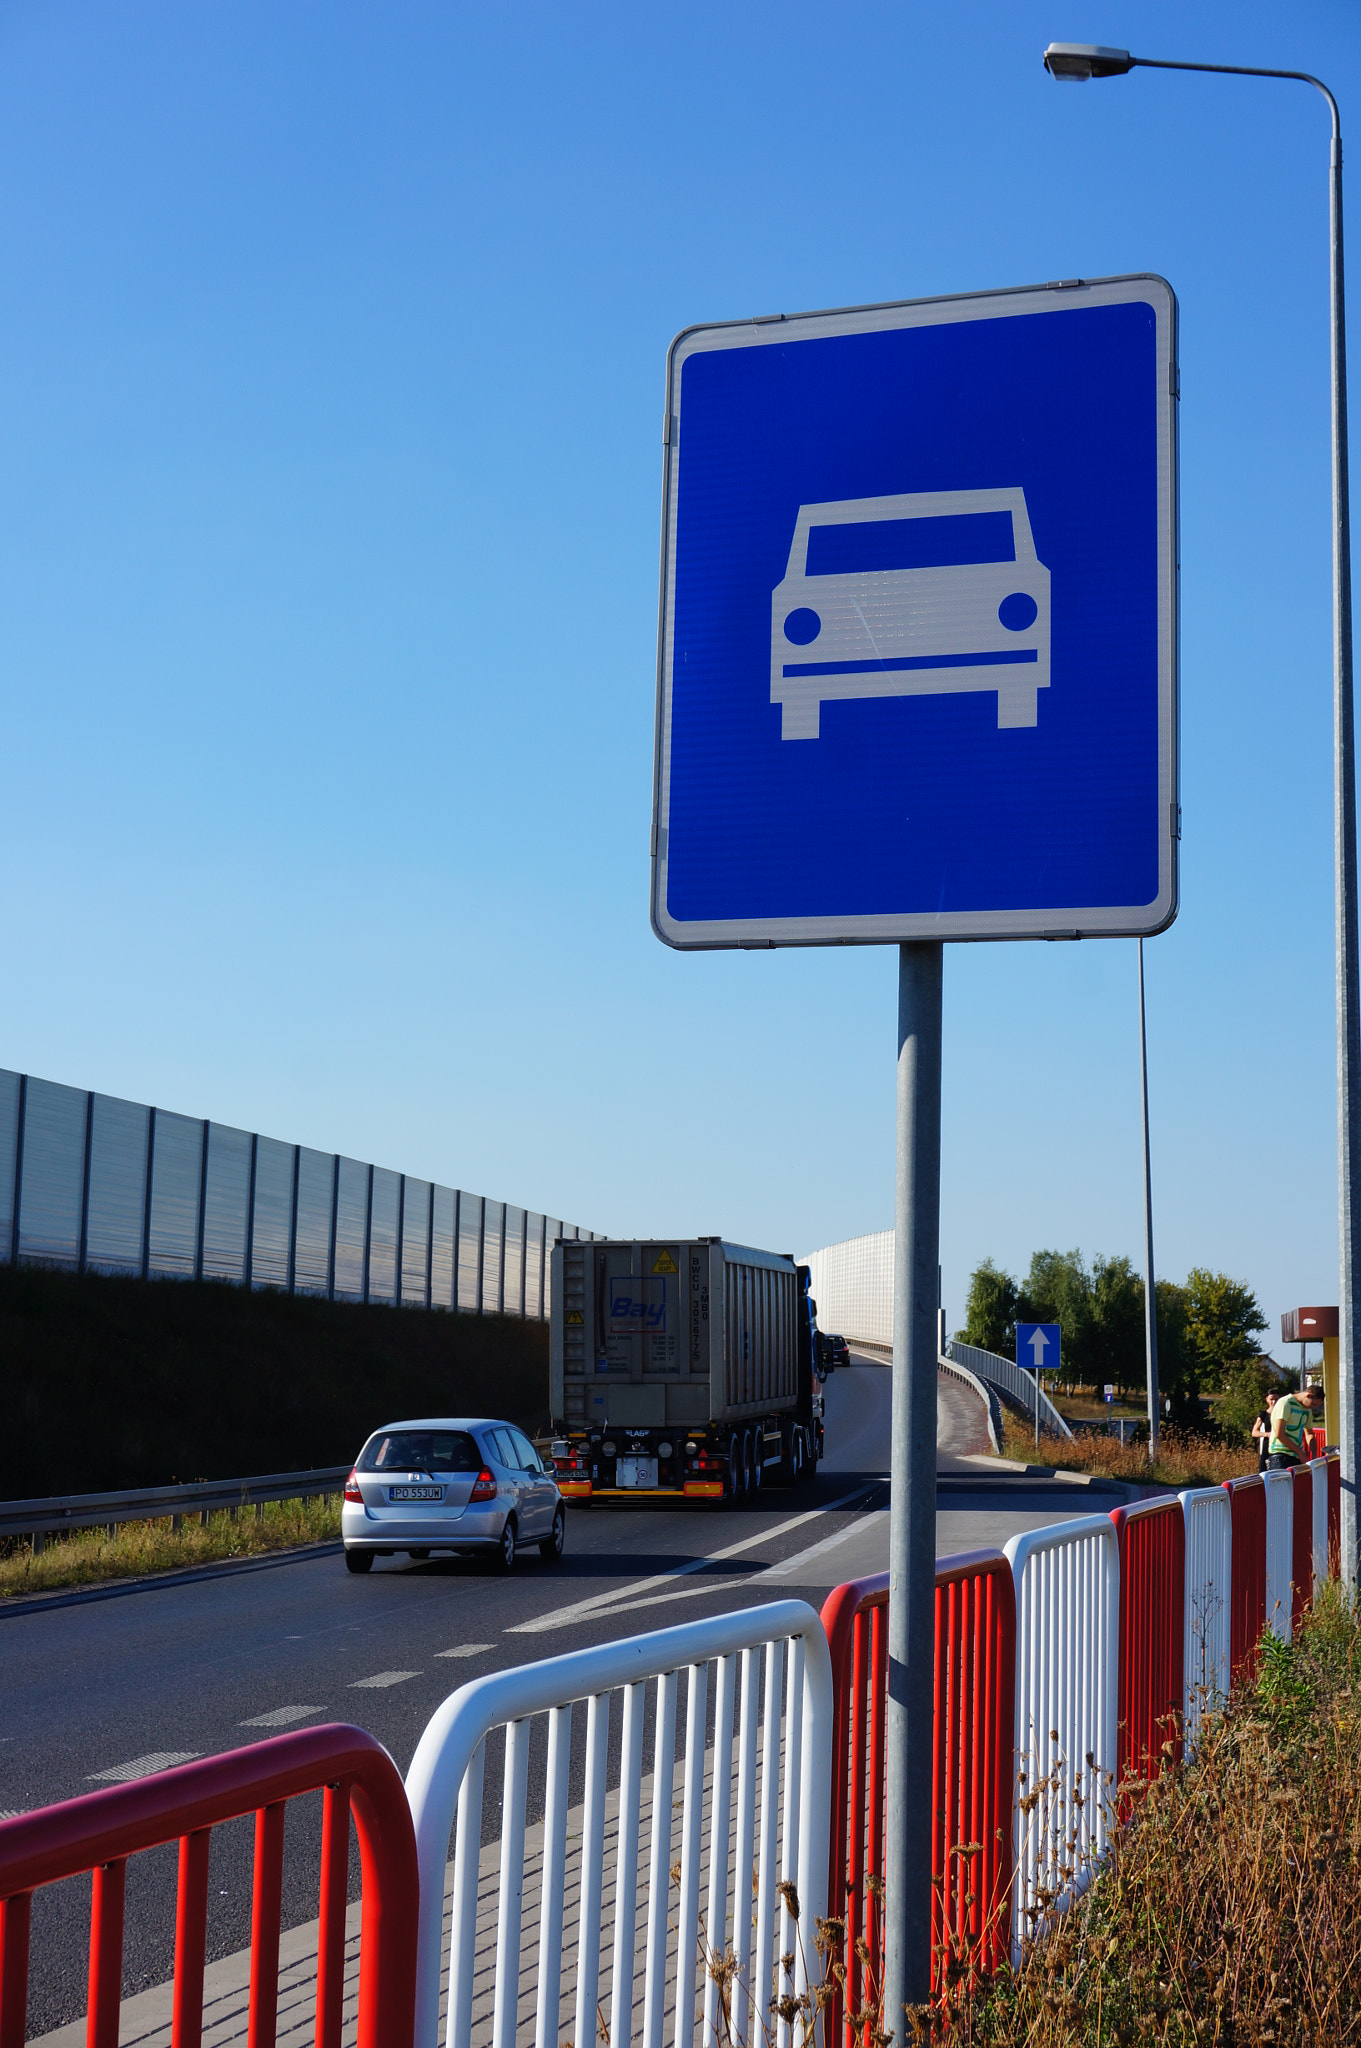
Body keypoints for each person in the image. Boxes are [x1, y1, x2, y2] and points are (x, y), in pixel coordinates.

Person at [1266, 1382, 1325, 1469]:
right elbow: (1279, 1434)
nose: (1312, 1408)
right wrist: (1300, 1452)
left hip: (1296, 1456)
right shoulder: (1286, 1403)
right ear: (1308, 1395)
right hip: (1280, 1455)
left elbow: (1309, 1434)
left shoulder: (1307, 1409)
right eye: (1313, 1404)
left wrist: (1315, 1457)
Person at [1251, 1399, 1272, 1473]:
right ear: (1267, 1400)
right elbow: (1254, 1432)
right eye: (1271, 1399)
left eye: (1276, 1399)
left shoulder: (1282, 1413)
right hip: (1267, 1446)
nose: (1274, 1402)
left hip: (1279, 1448)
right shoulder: (1264, 1414)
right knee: (1264, 1472)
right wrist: (1266, 1434)